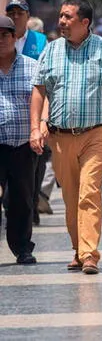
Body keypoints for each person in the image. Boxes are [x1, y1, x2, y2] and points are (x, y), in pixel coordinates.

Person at [30, 0, 102, 275]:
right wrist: (36, 128)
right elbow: (39, 90)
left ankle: (89, 254)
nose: (61, 21)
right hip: (60, 137)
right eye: (61, 16)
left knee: (89, 192)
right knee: (72, 197)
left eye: (68, 17)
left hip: (96, 135)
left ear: (85, 22)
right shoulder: (50, 51)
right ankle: (78, 249)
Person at [4, 0, 49, 226]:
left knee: (32, 171)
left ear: (27, 16)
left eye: (19, 12)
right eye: (11, 12)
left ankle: (31, 204)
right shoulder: (3, 36)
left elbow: (45, 81)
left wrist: (43, 121)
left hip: (32, 116)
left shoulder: (40, 41)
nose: (15, 16)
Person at [0, 15, 38, 264]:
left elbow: (42, 100)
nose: (0, 40)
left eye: (5, 35)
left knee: (21, 198)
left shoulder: (32, 67)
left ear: (15, 38)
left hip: (24, 144)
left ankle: (22, 247)